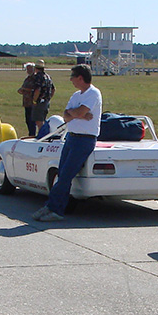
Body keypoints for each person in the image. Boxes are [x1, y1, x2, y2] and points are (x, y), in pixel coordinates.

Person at [32, 64, 102, 222]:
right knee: (61, 173)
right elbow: (66, 116)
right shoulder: (77, 95)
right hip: (71, 137)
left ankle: (54, 209)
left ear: (80, 78)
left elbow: (78, 112)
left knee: (65, 176)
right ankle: (52, 206)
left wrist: (77, 114)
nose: (71, 80)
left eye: (72, 77)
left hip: (84, 140)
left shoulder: (93, 93)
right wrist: (78, 115)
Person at [30, 60, 55, 136]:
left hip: (39, 102)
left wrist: (34, 100)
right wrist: (49, 98)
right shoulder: (48, 77)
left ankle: (42, 136)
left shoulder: (38, 77)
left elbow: (38, 89)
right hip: (46, 102)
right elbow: (53, 89)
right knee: (43, 119)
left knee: (39, 121)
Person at [17, 62, 37, 136]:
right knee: (27, 120)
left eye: (29, 69)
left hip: (32, 102)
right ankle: (30, 133)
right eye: (27, 69)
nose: (28, 70)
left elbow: (35, 89)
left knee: (32, 120)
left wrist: (25, 89)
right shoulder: (27, 78)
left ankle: (32, 134)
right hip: (26, 102)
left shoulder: (35, 78)